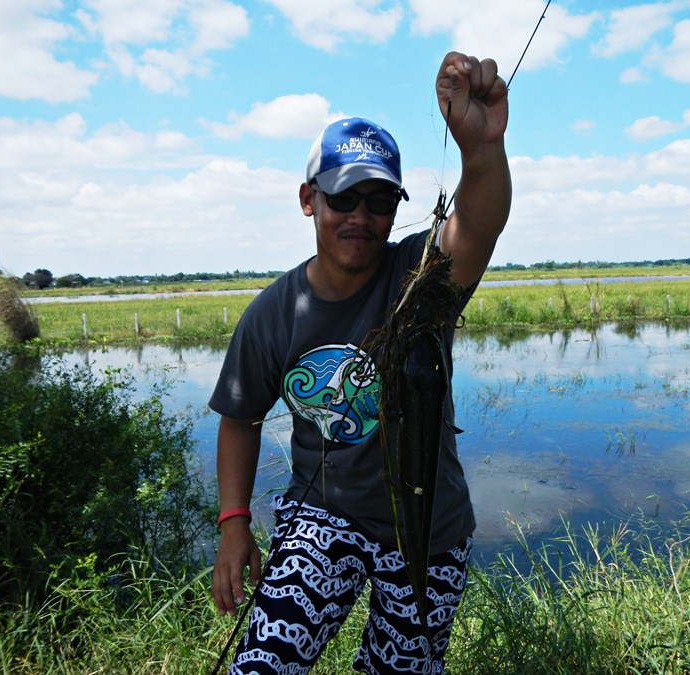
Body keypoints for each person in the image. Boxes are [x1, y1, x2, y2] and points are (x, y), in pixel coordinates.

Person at [209, 50, 511, 675]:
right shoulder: (274, 312)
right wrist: (234, 523)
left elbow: (477, 229)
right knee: (260, 667)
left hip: (431, 525)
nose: (361, 217)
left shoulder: (418, 279)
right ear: (308, 200)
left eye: (379, 201)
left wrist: (480, 151)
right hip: (323, 514)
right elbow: (239, 418)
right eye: (344, 197)